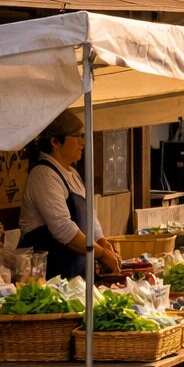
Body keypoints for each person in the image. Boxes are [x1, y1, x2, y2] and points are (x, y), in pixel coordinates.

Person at [18, 110, 121, 277]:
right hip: (50, 277)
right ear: (55, 142)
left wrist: (102, 241)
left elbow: (90, 216)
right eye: (76, 136)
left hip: (76, 273)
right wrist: (101, 254)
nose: (82, 142)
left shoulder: (72, 173)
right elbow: (63, 228)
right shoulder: (44, 175)